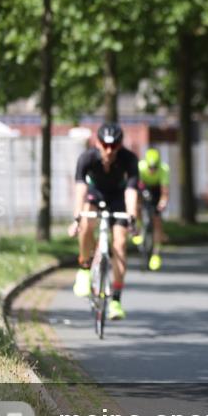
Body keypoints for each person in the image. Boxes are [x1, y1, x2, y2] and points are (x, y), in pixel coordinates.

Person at [68, 123, 139, 320]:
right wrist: (76, 218)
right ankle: (84, 268)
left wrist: (132, 217)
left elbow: (131, 190)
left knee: (120, 244)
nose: (109, 150)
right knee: (86, 224)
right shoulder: (87, 158)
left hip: (118, 198)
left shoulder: (129, 159)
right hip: (95, 194)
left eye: (114, 146)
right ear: (97, 143)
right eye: (105, 145)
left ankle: (116, 300)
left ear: (120, 145)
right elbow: (80, 189)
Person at [132, 147, 170, 270]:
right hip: (143, 187)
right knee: (135, 202)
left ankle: (156, 253)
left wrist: (162, 203)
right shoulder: (140, 167)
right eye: (150, 167)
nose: (152, 170)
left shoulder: (164, 169)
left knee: (157, 220)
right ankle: (137, 226)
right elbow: (135, 186)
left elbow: (165, 192)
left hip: (157, 189)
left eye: (155, 168)